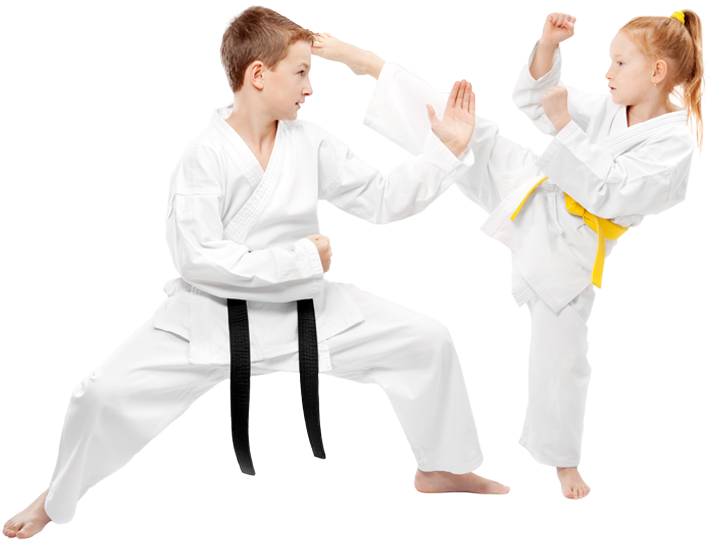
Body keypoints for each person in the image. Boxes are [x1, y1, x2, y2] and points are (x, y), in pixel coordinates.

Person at [1, 5, 513, 542]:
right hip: (212, 318)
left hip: (304, 312)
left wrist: (444, 151)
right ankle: (56, 497)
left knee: (427, 339)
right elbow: (197, 259)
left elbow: (380, 198)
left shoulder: (308, 141)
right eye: (302, 72)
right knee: (99, 394)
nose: (311, 87)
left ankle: (441, 468)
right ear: (259, 75)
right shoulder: (203, 156)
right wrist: (302, 259)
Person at [312, 6, 707, 501]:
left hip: (571, 246)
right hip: (534, 187)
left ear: (657, 72)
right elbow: (536, 100)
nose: (607, 72)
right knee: (471, 131)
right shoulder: (614, 104)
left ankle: (564, 461)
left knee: (562, 356)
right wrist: (548, 47)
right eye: (609, 60)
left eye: (619, 63)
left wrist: (565, 127)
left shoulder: (676, 144)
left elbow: (611, 192)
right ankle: (372, 66)